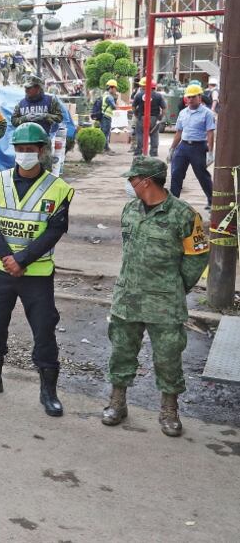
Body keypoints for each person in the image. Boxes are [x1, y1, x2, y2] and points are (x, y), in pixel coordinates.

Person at [0, 123, 74, 417]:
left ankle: (48, 391)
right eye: (20, 149)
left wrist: (22, 259)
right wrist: (8, 257)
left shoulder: (58, 188)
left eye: (30, 149)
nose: (24, 154)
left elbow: (55, 230)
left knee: (44, 330)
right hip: (1, 269)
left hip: (36, 273)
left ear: (41, 151)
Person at [103, 156, 209, 437]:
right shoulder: (129, 210)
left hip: (164, 302)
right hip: (128, 298)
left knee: (168, 356)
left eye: (132, 179)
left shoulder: (185, 215)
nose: (129, 184)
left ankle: (169, 409)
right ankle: (117, 401)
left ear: (146, 181)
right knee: (122, 351)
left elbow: (197, 257)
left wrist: (175, 286)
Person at [169, 84, 216, 210]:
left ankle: (212, 201)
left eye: (193, 97)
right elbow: (179, 132)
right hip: (183, 147)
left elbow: (210, 133)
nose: (190, 99)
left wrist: (211, 152)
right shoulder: (183, 113)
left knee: (202, 175)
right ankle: (173, 202)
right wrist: (172, 148)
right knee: (176, 173)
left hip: (198, 147)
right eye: (188, 97)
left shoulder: (208, 114)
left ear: (200, 97)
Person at [11, 74, 64, 167]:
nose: (26, 90)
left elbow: (59, 118)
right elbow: (14, 121)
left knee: (44, 168)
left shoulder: (50, 101)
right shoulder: (21, 103)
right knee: (25, 168)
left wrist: (45, 116)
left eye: (29, 88)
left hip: (42, 142)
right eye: (25, 88)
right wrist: (25, 118)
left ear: (38, 88)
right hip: (25, 142)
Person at [131, 78, 165, 156]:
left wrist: (136, 113)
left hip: (141, 118)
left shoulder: (139, 95)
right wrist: (160, 116)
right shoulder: (159, 96)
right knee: (154, 135)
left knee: (140, 134)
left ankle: (139, 151)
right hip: (154, 118)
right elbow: (164, 108)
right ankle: (153, 152)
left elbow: (133, 106)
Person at [99, 79, 119, 155]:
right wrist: (116, 104)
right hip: (106, 117)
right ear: (112, 87)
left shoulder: (105, 95)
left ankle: (105, 148)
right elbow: (114, 107)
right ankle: (105, 148)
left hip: (104, 116)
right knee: (105, 133)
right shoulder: (109, 97)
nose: (116, 90)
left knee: (104, 132)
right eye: (115, 88)